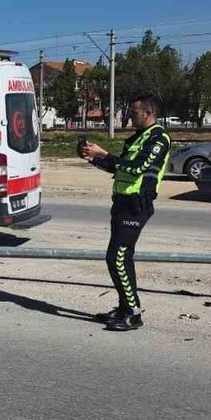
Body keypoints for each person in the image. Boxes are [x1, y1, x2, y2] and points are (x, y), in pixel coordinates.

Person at [79, 94, 170, 332]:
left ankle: (132, 313)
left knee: (116, 258)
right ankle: (124, 308)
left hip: (137, 204)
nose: (130, 116)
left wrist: (104, 154)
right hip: (122, 202)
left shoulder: (159, 138)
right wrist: (94, 159)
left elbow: (138, 168)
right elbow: (120, 167)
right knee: (121, 258)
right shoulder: (137, 138)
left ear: (148, 113)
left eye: (134, 112)